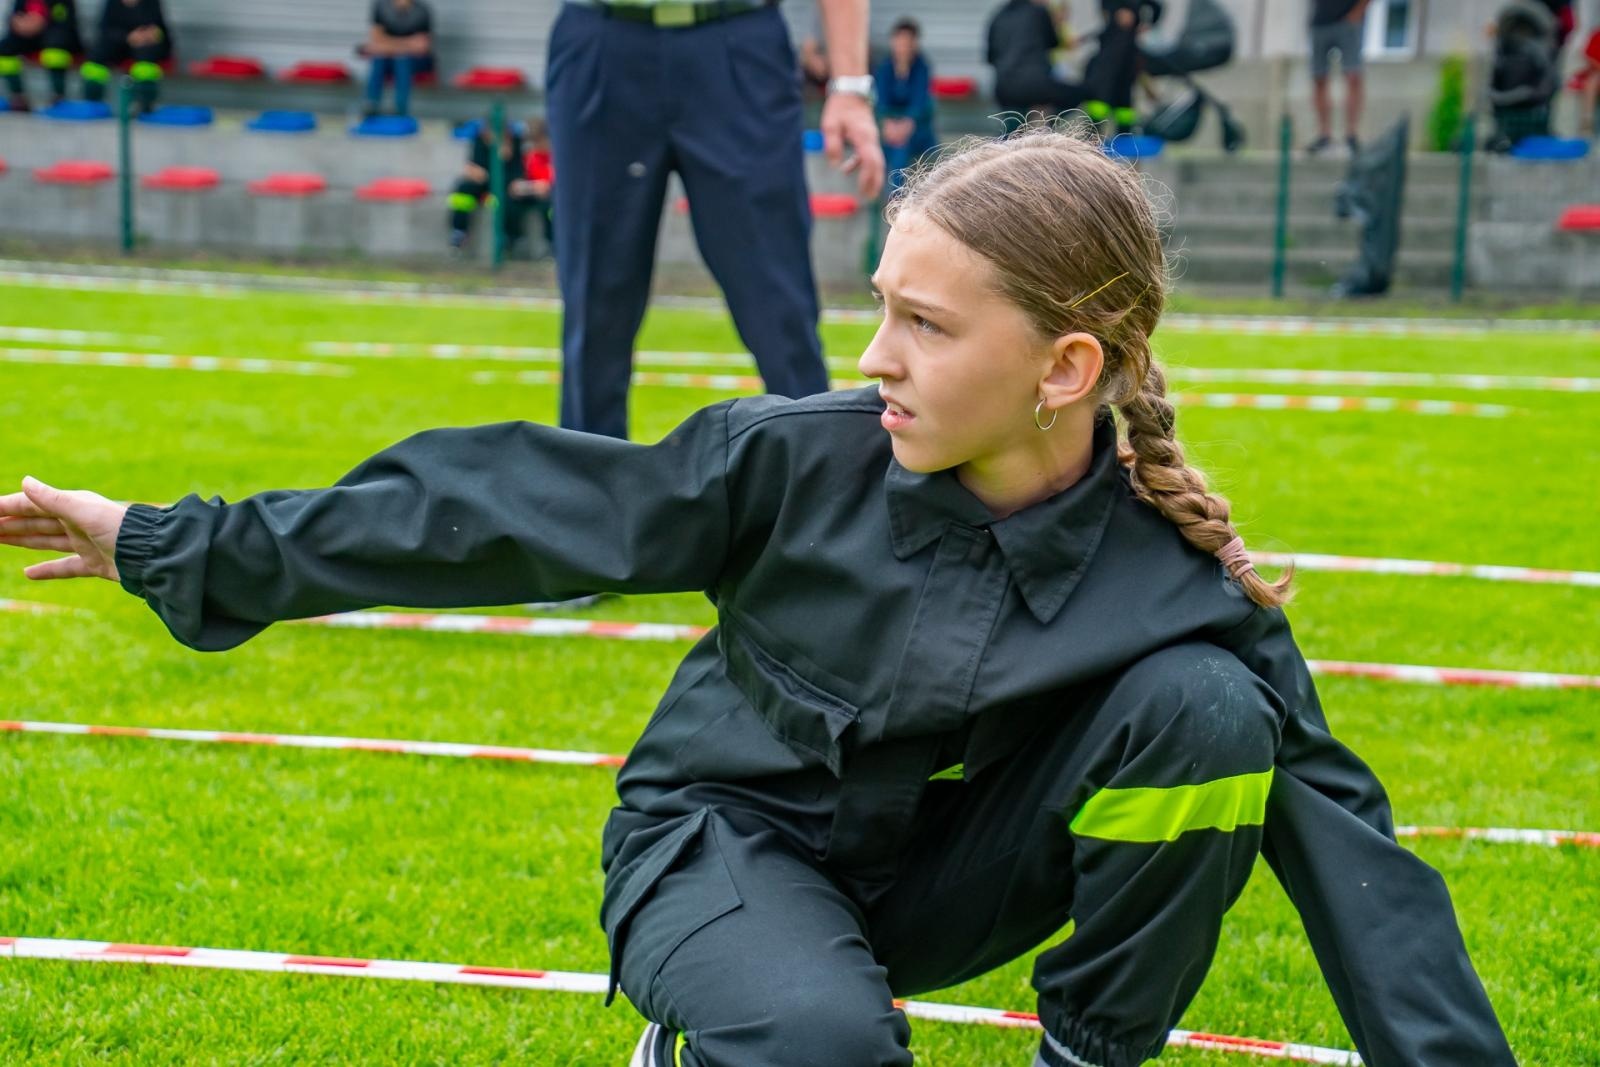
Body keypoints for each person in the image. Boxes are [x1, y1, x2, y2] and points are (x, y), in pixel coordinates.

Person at [0, 124, 1517, 1067]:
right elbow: (496, 513)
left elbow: (1361, 872)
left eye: (924, 324)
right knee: (821, 1041)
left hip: (936, 883)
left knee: (1208, 713)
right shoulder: (793, 460)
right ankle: (731, 1016)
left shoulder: (1178, 581)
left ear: (1067, 368)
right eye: (880, 311)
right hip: (718, 844)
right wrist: (169, 542)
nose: (876, 358)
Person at [544, 0, 883, 441]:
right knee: (593, 314)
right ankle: (587, 501)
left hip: (738, 42)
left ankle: (821, 491)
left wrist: (851, 85)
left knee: (781, 308)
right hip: (601, 40)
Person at [986, 0, 1086, 119]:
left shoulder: (998, 16)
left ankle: (1021, 132)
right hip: (1037, 86)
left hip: (1004, 88)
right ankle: (1049, 128)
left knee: (1013, 128)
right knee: (1081, 94)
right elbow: (1052, 42)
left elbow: (990, 57)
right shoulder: (1038, 12)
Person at [447, 119, 530, 257]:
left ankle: (511, 239)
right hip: (483, 182)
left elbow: (517, 174)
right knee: (463, 189)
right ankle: (459, 232)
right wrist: (475, 172)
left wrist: (504, 158)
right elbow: (474, 166)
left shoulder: (514, 143)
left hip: (505, 183)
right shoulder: (480, 141)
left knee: (510, 199)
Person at [873, 16, 936, 193]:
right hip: (890, 131)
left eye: (908, 41)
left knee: (900, 149)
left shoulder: (922, 67)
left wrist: (906, 124)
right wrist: (888, 124)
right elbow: (881, 101)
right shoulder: (885, 67)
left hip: (917, 132)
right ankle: (887, 199)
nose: (903, 46)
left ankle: (896, 199)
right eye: (899, 40)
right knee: (885, 150)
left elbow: (919, 103)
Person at [1081, 0, 1162, 133]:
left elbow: (1157, 7)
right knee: (1102, 97)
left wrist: (1146, 25)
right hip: (1115, 50)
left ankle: (1122, 136)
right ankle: (1093, 137)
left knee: (1122, 101)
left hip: (1125, 53)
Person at [81, 0, 170, 115]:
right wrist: (128, 37)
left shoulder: (151, 3)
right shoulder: (112, 3)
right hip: (119, 45)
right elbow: (105, 30)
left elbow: (161, 30)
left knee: (146, 59)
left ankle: (145, 106)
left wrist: (151, 35)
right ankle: (93, 104)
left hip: (144, 47)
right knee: (97, 55)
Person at [1306, 0, 1369, 156]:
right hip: (1320, 21)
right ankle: (1324, 136)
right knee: (1319, 78)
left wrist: (1357, 13)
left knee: (1353, 76)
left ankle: (1351, 135)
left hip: (1349, 20)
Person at [0, 0, 83, 112]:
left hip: (58, 38)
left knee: (55, 51)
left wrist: (42, 23)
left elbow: (64, 23)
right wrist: (20, 25)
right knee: (5, 49)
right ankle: (18, 97)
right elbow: (15, 17)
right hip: (30, 37)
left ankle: (59, 97)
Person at [361, 0, 432, 119]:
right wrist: (407, 44)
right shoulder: (381, 6)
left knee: (402, 60)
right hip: (387, 57)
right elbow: (376, 40)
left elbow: (422, 47)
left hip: (415, 61)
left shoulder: (422, 10)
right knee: (379, 59)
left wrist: (389, 44)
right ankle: (371, 106)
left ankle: (401, 110)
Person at [517, 117, 557, 258]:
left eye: (538, 141)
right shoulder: (530, 156)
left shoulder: (556, 156)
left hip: (551, 196)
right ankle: (514, 240)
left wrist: (548, 186)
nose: (535, 145)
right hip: (532, 193)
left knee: (550, 209)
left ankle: (553, 244)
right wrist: (531, 187)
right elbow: (521, 180)